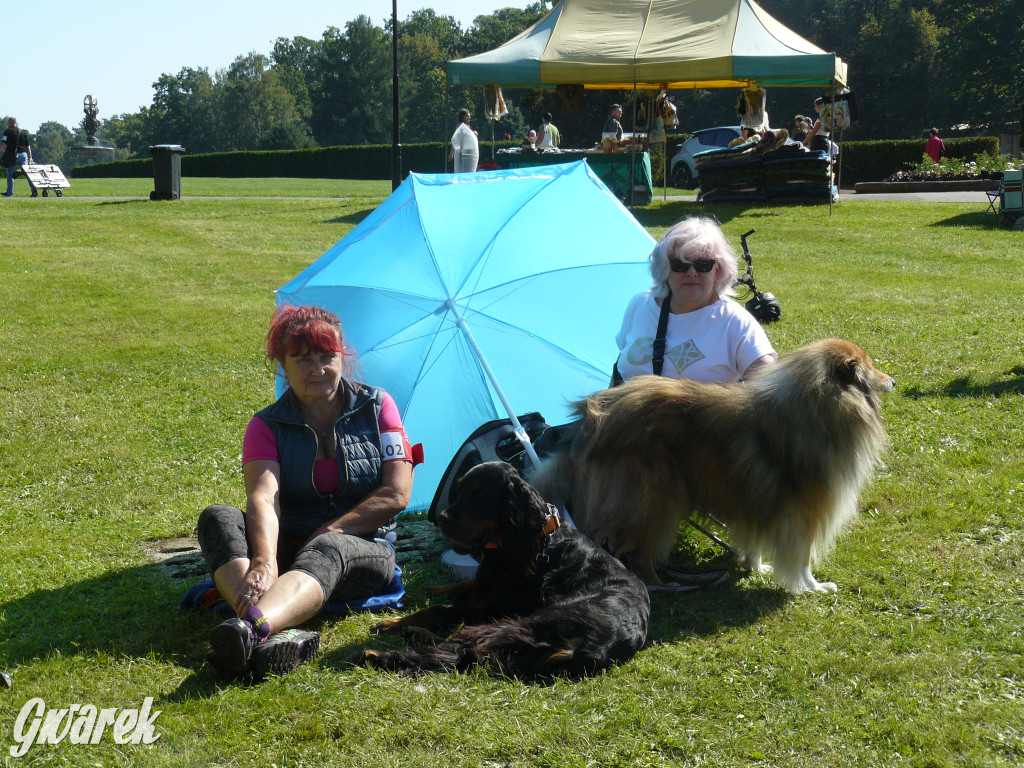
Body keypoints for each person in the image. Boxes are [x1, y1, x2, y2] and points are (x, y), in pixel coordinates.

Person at [197, 305, 414, 678]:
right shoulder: (266, 425)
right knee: (218, 518)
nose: (318, 370)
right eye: (303, 360)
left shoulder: (379, 406)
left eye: (327, 357)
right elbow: (264, 497)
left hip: (363, 550)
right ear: (282, 363)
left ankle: (251, 628)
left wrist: (328, 532)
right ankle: (265, 629)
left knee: (330, 547)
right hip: (288, 546)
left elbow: (396, 494)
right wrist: (265, 562)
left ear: (341, 357)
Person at [614, 216, 776, 384]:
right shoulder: (640, 306)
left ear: (717, 270)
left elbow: (768, 385)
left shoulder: (734, 321)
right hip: (630, 409)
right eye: (680, 265)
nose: (691, 273)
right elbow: (619, 370)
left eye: (703, 265)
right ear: (664, 268)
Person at [1, 117, 31, 198]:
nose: (7, 124)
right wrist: (30, 157)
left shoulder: (8, 131)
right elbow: (28, 146)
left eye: (8, 122)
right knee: (27, 174)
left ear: (10, 123)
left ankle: (9, 193)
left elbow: (3, 143)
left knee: (10, 174)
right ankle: (34, 191)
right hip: (24, 155)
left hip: (13, 155)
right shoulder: (23, 132)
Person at [448, 108, 479, 173]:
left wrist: (473, 133)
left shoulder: (466, 127)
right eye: (467, 116)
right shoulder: (460, 127)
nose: (469, 117)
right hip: (462, 154)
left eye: (469, 116)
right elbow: (456, 140)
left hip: (467, 153)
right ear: (463, 117)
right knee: (463, 172)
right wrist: (451, 153)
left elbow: (467, 136)